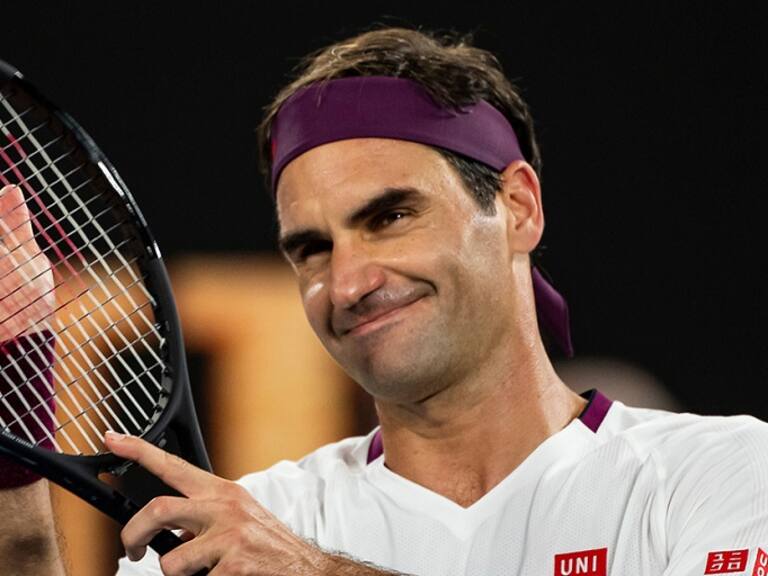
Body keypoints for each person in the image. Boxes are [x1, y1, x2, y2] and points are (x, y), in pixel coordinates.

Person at [2, 26, 768, 576]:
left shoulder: (722, 474)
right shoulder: (243, 530)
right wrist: (17, 475)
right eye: (312, 248)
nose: (348, 283)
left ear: (519, 208)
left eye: (390, 216)